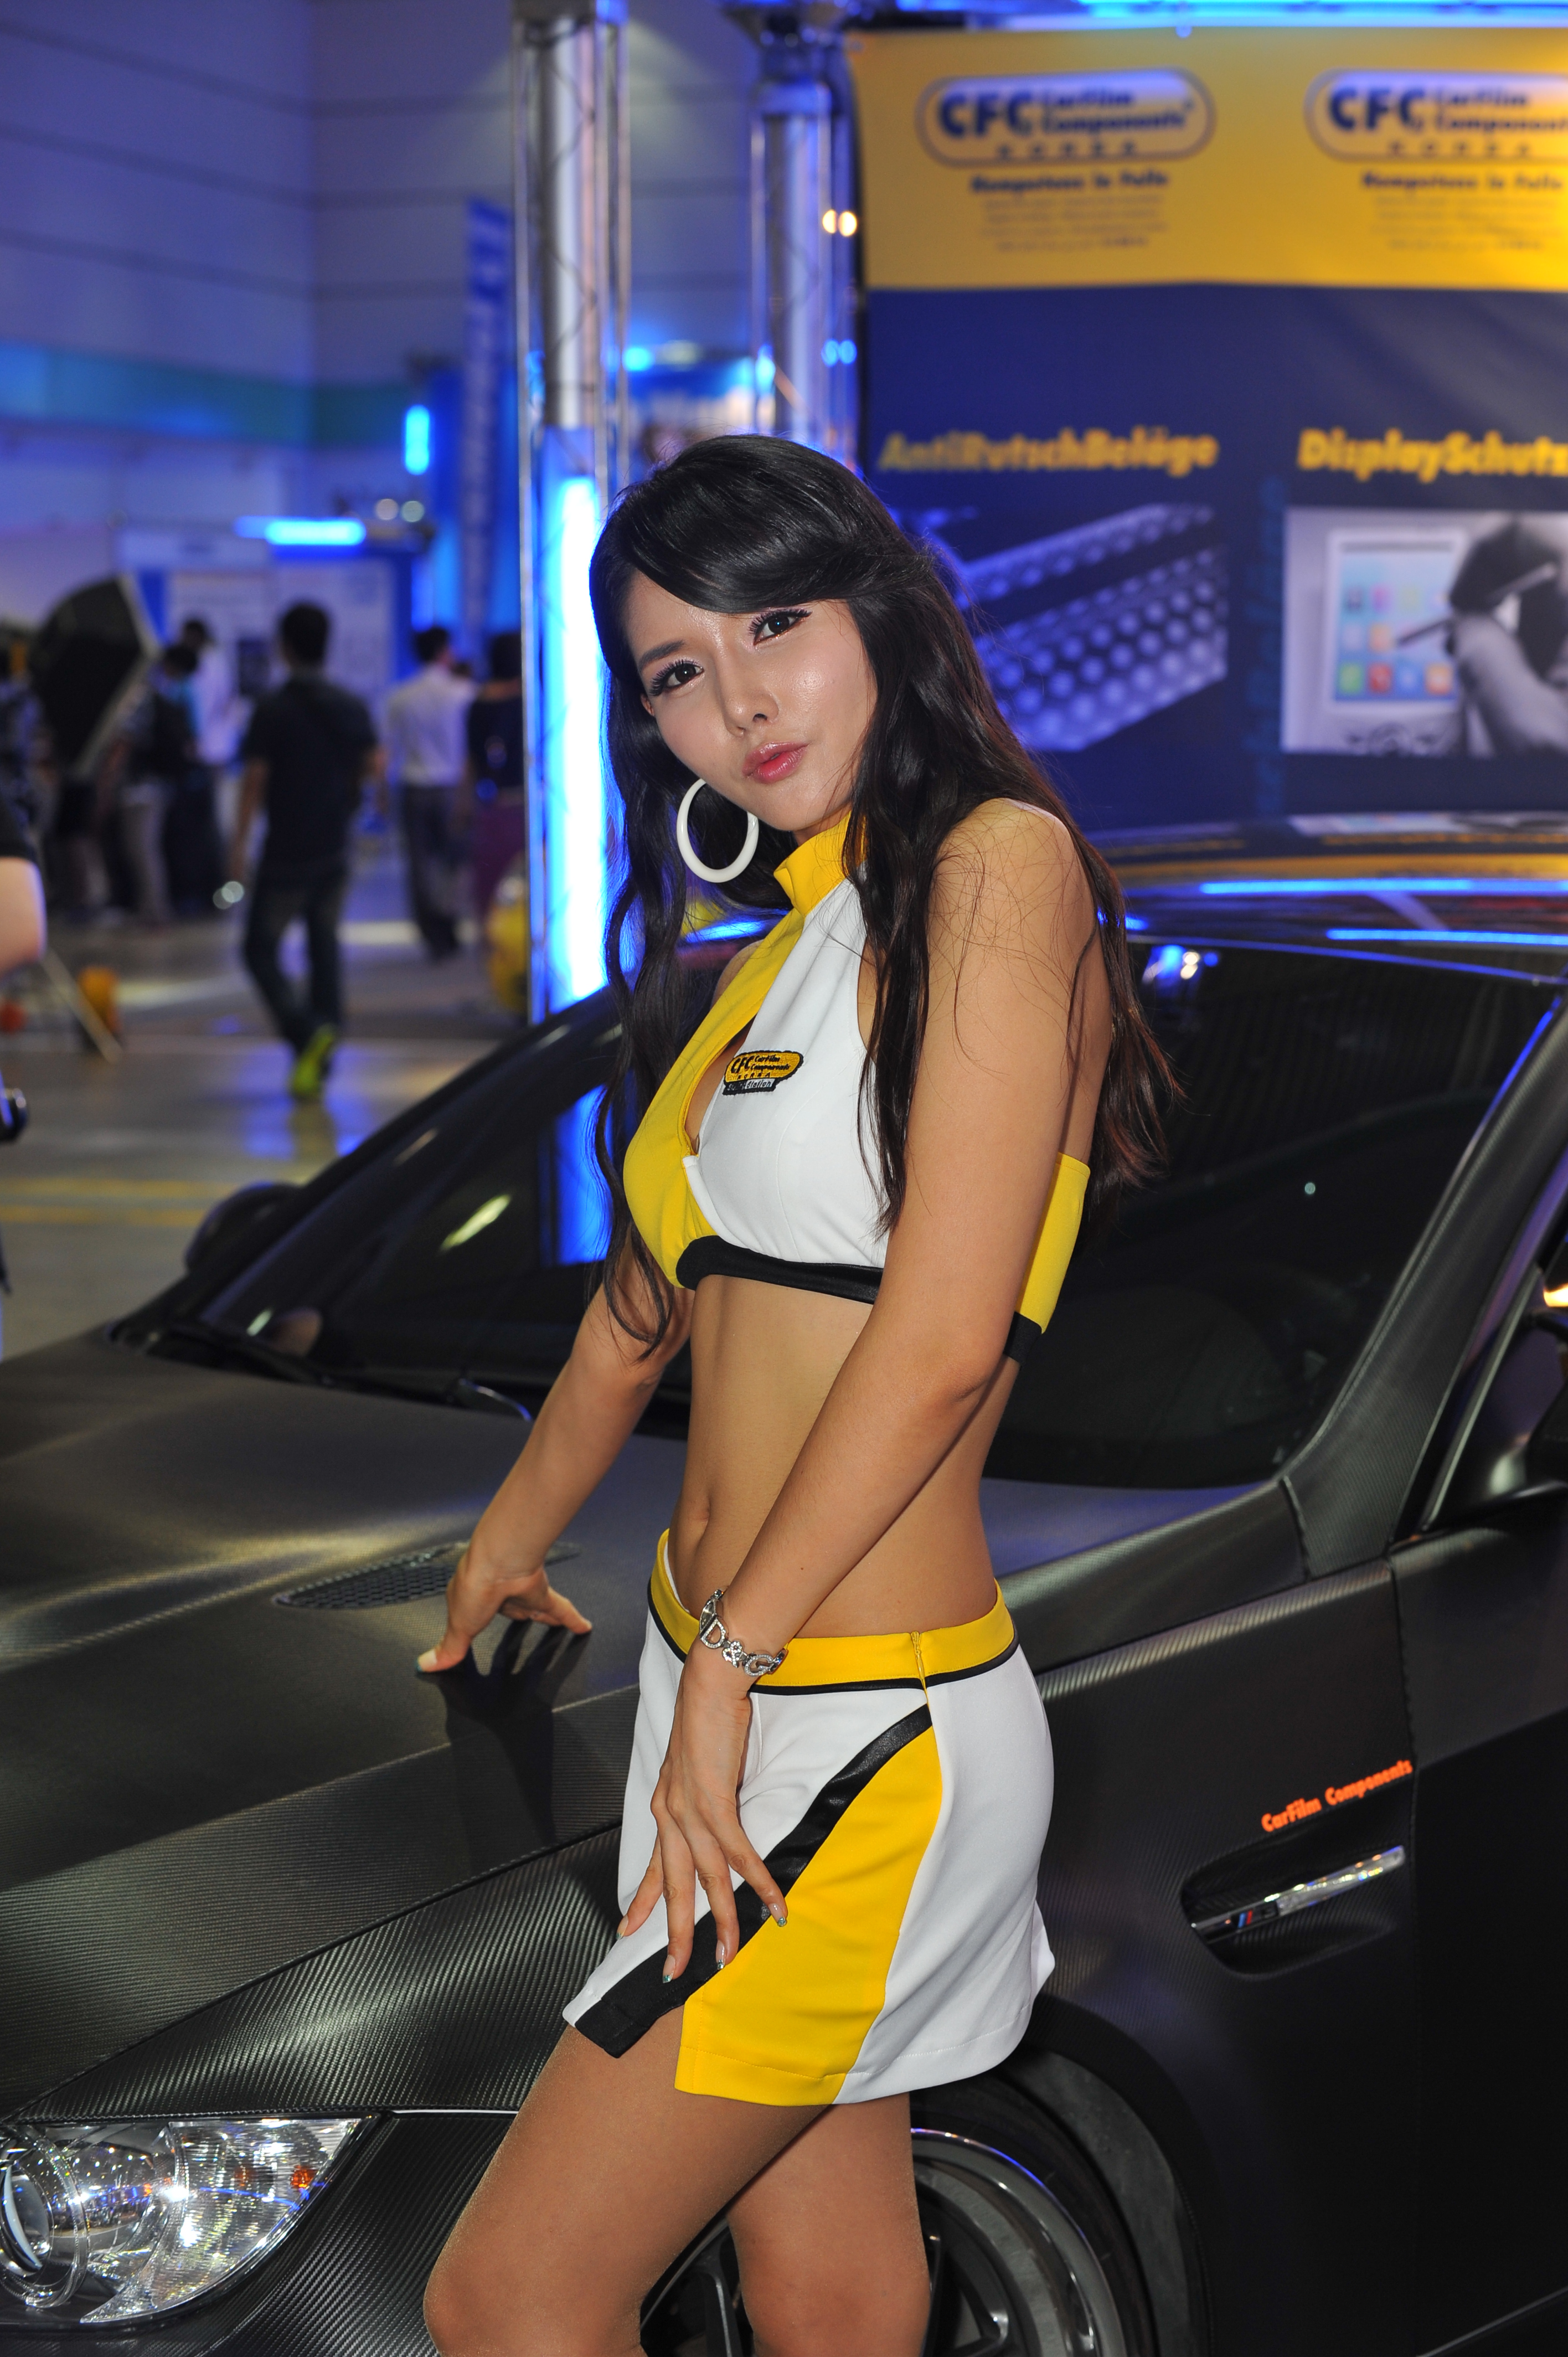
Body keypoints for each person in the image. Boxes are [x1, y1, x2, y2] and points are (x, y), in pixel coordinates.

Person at [417, 438, 1169, 2357]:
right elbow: (635, 1315)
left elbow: (941, 1339)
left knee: (511, 2294)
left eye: (775, 625)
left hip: (851, 1722)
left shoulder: (998, 867)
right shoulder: (771, 964)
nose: (738, 701)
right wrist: (507, 1541)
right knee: (825, 2290)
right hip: (728, 1685)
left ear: (881, 616)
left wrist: (732, 1664)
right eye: (677, 669)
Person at [230, 602, 381, 1100]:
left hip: (286, 851)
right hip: (334, 846)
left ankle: (306, 1032)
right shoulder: (350, 705)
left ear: (286, 647)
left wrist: (238, 845)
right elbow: (373, 765)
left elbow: (254, 782)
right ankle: (323, 1046)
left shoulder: (272, 709)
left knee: (258, 949)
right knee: (324, 943)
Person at [384, 622, 474, 958]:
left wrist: (381, 791)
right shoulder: (463, 692)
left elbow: (388, 748)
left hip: (413, 787)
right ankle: (450, 919)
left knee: (420, 865)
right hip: (452, 787)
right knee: (457, 859)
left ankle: (432, 934)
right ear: (444, 652)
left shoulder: (400, 696)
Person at [112, 644, 197, 927]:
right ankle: (151, 909)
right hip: (161, 783)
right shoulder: (172, 695)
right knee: (146, 848)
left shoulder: (146, 695)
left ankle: (156, 912)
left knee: (142, 850)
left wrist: (108, 778)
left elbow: (126, 740)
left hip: (142, 786)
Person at [460, 628, 525, 924]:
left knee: (491, 889)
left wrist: (464, 805)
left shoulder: (479, 703)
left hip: (493, 806)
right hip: (530, 807)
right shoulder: (533, 699)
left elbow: (472, 761)